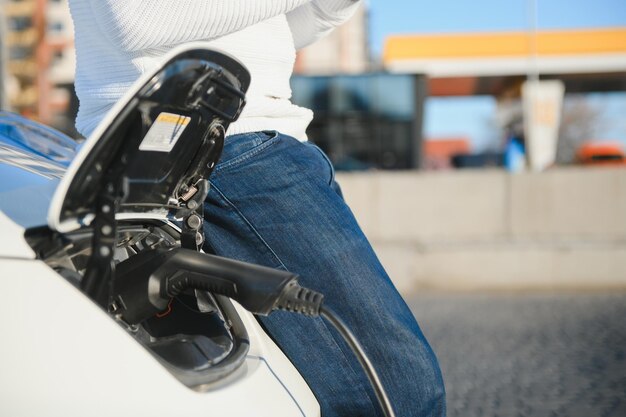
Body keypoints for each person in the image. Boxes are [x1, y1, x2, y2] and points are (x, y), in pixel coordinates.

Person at [68, 1, 446, 415]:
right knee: (399, 390)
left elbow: (262, 32)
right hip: (216, 151)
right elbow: (139, 18)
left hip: (242, 148)